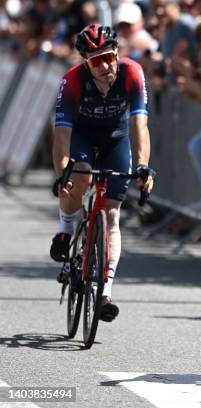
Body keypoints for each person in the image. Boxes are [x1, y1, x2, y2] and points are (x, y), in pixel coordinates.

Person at [50, 24, 155, 322]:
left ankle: (105, 291)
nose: (107, 66)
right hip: (81, 137)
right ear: (85, 62)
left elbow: (140, 126)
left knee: (111, 214)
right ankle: (66, 227)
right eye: (97, 61)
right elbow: (61, 136)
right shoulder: (71, 81)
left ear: (118, 53)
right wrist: (62, 174)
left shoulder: (132, 73)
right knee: (79, 178)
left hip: (116, 139)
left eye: (110, 57)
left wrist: (143, 165)